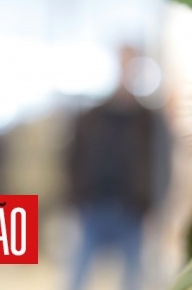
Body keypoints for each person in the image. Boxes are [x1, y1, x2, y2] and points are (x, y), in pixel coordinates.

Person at [67, 46, 171, 290]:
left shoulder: (149, 121)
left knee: (132, 278)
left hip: (131, 209)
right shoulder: (91, 117)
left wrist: (153, 203)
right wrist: (75, 196)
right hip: (93, 205)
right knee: (76, 276)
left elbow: (162, 164)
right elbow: (74, 157)